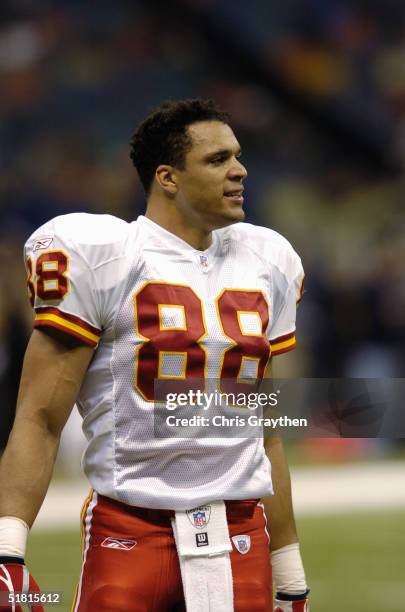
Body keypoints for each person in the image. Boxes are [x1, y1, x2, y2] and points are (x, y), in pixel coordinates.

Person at [0, 99, 309, 611]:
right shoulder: (106, 255)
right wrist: (8, 552)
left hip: (241, 534)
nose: (239, 170)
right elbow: (39, 419)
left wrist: (290, 573)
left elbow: (266, 433)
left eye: (238, 156)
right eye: (217, 160)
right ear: (167, 177)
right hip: (130, 532)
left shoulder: (267, 259)